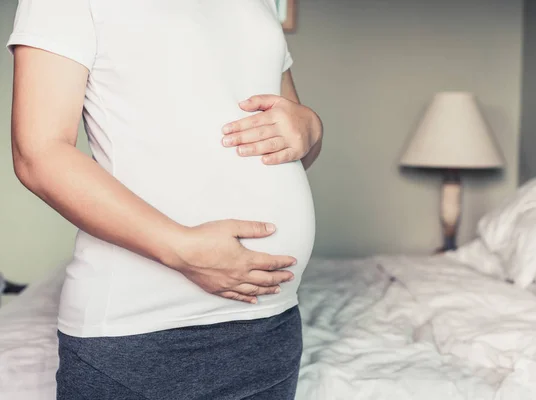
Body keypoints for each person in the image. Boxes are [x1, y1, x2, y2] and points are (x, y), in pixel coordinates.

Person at [7, 0, 323, 398]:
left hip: (272, 326)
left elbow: (286, 138)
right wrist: (182, 250)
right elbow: (38, 153)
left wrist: (311, 128)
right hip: (141, 331)